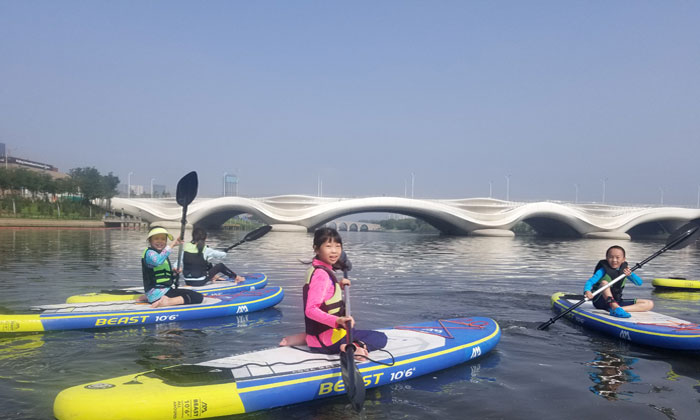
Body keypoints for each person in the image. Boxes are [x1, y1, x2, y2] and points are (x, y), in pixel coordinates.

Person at [280, 228, 387, 359]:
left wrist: (337, 286)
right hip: (328, 343)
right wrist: (338, 320)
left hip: (319, 337)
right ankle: (353, 347)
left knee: (349, 330)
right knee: (380, 338)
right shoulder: (322, 275)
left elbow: (324, 295)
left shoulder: (316, 270)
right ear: (317, 249)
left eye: (338, 246)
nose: (334, 251)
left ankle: (303, 338)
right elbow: (311, 310)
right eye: (328, 246)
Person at [141, 226, 204, 308]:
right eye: (156, 238)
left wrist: (173, 273)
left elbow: (161, 276)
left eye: (163, 239)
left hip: (163, 291)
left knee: (192, 294)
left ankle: (149, 297)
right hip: (158, 293)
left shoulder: (161, 254)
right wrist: (172, 244)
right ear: (150, 240)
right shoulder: (150, 253)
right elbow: (158, 261)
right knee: (197, 297)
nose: (160, 241)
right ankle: (166, 302)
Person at [583, 245, 653, 318]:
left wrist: (630, 274)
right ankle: (615, 307)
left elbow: (639, 283)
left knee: (649, 303)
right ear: (607, 258)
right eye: (611, 257)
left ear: (623, 259)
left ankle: (618, 309)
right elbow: (590, 282)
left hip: (617, 301)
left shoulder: (625, 271)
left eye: (617, 257)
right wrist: (587, 291)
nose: (614, 260)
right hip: (600, 301)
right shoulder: (603, 270)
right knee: (604, 283)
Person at [179, 227, 245, 286]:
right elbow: (222, 255)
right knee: (220, 266)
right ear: (205, 238)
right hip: (200, 281)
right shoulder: (206, 249)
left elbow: (177, 264)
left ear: (193, 236)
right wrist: (224, 252)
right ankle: (237, 278)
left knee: (206, 263)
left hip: (187, 281)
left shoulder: (185, 248)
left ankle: (214, 277)